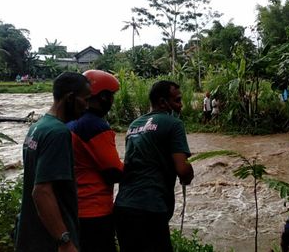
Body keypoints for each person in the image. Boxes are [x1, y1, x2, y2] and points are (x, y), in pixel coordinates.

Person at [114, 80, 194, 252]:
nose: (181, 106)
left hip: (123, 206)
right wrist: (189, 172)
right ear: (163, 102)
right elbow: (182, 169)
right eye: (177, 100)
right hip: (151, 208)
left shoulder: (133, 125)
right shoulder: (174, 124)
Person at [15, 72, 91, 252]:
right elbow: (41, 191)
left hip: (30, 234)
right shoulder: (58, 133)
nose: (87, 107)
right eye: (85, 99)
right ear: (70, 98)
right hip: (49, 240)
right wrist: (64, 240)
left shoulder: (38, 126)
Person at [67, 70, 123, 252]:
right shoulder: (95, 125)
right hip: (95, 210)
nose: (112, 102)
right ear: (103, 97)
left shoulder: (70, 122)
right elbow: (114, 172)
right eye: (111, 96)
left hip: (73, 208)